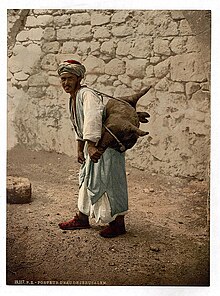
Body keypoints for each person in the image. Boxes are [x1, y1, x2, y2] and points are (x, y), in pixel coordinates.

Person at [57, 60, 128, 238]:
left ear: (79, 78)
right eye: (63, 79)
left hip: (104, 148)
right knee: (87, 181)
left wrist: (90, 145)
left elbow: (92, 118)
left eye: (70, 78)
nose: (66, 83)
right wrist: (80, 148)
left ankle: (118, 224)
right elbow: (78, 127)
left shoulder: (87, 94)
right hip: (92, 147)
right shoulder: (73, 98)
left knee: (109, 183)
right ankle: (82, 217)